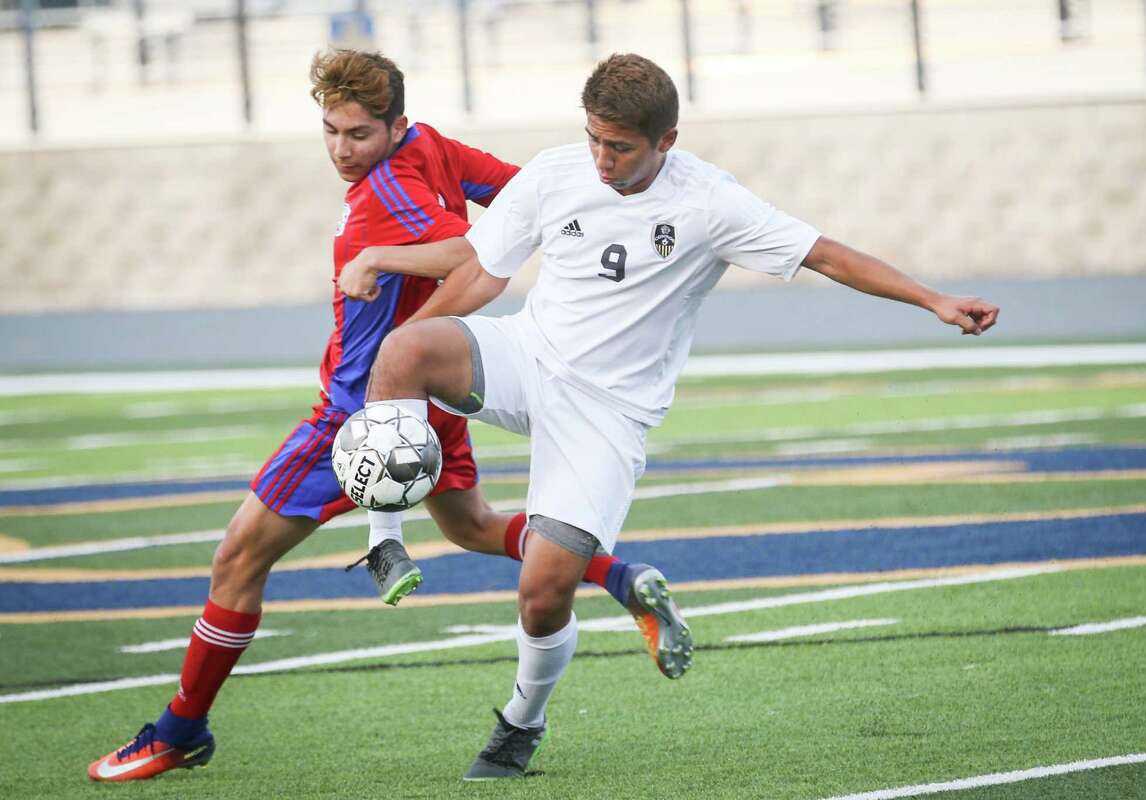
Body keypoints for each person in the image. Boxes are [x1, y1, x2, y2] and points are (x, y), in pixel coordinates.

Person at [350, 52, 1000, 780]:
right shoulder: (557, 172)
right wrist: (400, 348)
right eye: (594, 138)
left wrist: (934, 299)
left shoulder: (710, 203)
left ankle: (519, 724)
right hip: (527, 358)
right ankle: (383, 541)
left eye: (620, 146)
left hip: (606, 413)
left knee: (542, 594)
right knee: (404, 352)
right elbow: (480, 269)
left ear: (667, 140)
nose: (601, 158)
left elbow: (827, 255)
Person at [86, 49, 689, 784]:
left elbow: (472, 254)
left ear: (394, 124)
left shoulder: (390, 189)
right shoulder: (431, 145)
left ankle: (180, 729)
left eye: (360, 134)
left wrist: (382, 261)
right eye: (332, 131)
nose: (344, 150)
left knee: (238, 559)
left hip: (356, 411)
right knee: (470, 527)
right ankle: (620, 577)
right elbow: (527, 194)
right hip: (428, 394)